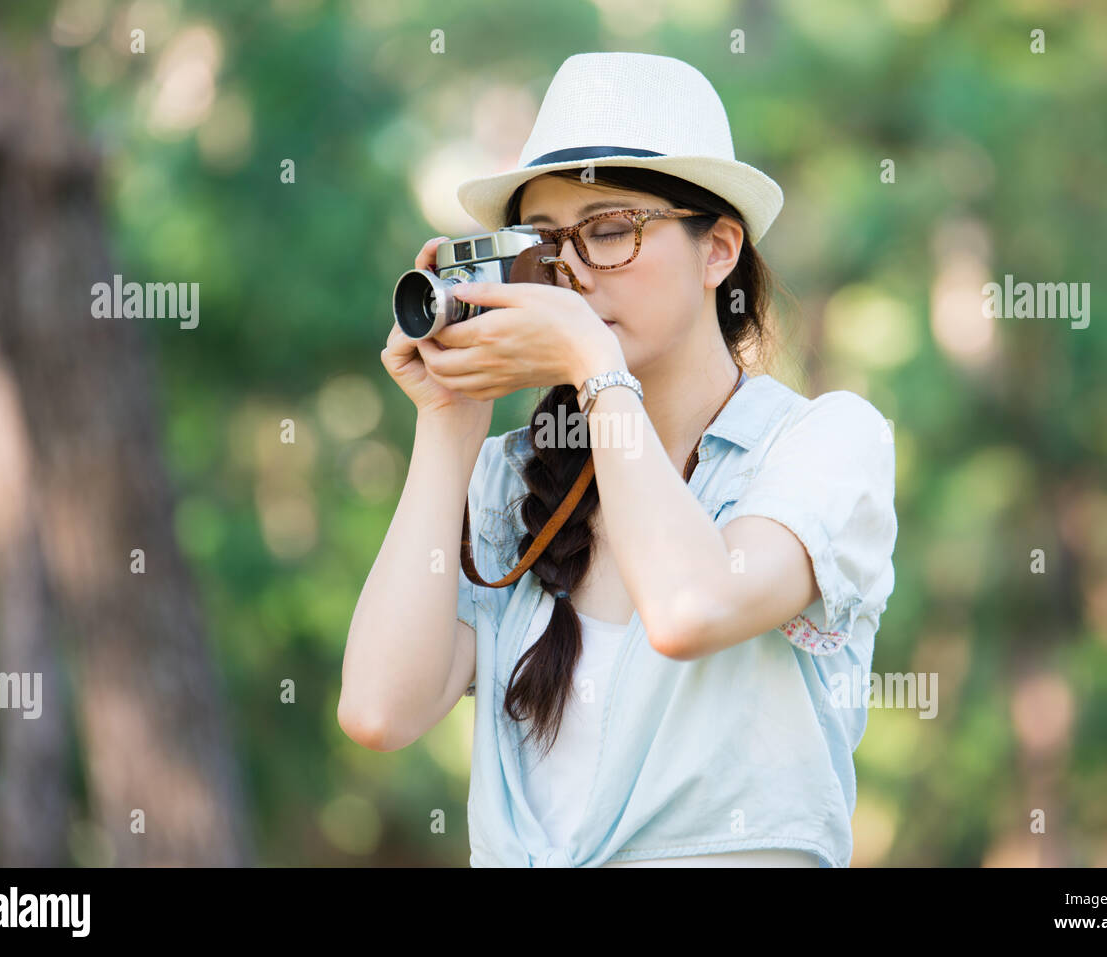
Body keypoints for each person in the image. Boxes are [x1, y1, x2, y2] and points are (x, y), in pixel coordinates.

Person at [341, 52, 898, 868]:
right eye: (547, 243)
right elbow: (380, 711)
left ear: (719, 251)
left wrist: (591, 362)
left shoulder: (824, 444)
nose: (574, 273)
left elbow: (688, 609)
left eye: (608, 231)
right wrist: (449, 420)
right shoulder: (517, 478)